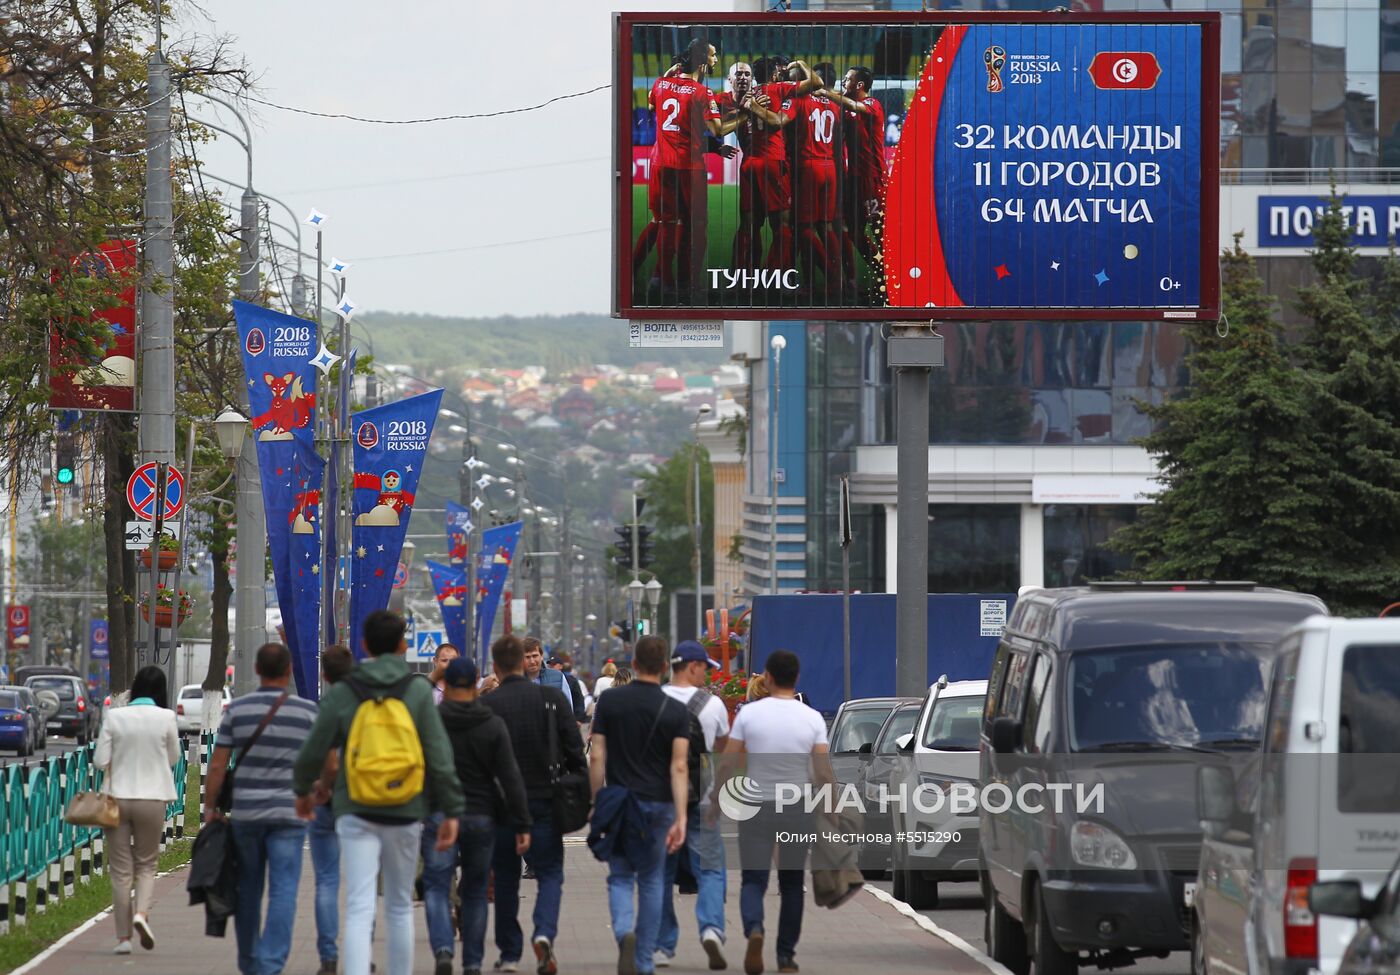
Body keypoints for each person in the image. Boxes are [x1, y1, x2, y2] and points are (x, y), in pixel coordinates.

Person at [294, 611, 465, 975]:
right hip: (406, 808)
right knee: (400, 905)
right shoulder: (417, 691)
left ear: (365, 646)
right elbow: (439, 753)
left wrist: (303, 793)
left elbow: (313, 750)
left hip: (355, 807)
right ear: (403, 646)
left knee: (359, 905)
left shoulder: (344, 692)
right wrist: (451, 809)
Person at [204, 643, 319, 975]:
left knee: (248, 888)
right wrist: (314, 795)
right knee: (284, 888)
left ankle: (251, 962)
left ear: (256, 670)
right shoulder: (308, 713)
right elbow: (326, 762)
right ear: (288, 672)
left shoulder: (237, 710)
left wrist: (211, 808)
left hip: (247, 816)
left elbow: (217, 765)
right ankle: (272, 962)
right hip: (290, 816)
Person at [715, 650, 832, 975]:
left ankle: (755, 929)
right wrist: (831, 806)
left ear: (767, 676)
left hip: (756, 807)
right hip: (796, 808)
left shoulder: (750, 715)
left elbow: (728, 761)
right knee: (792, 882)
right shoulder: (810, 717)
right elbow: (822, 770)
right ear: (795, 678)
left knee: (753, 879)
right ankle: (785, 957)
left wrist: (714, 801)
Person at [482, 634, 587, 975]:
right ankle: (544, 932)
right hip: (545, 799)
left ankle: (510, 952)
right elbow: (575, 752)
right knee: (551, 872)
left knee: (507, 877)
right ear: (527, 661)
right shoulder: (552, 698)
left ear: (496, 666)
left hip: (501, 805)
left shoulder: (489, 706)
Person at [589, 636, 690, 975]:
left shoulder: (610, 702)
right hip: (659, 805)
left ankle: (623, 933)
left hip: (620, 802)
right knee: (651, 880)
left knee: (619, 876)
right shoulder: (676, 710)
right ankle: (645, 960)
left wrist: (595, 801)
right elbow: (679, 766)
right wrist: (681, 815)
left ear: (632, 665)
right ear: (665, 668)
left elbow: (598, 754)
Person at [439, 656, 533, 975]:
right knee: (477, 890)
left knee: (439, 885)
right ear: (478, 679)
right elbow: (510, 776)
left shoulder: (434, 720)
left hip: (441, 816)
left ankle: (442, 949)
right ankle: (473, 963)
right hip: (482, 815)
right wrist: (521, 822)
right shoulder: (492, 723)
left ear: (448, 684)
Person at [92, 665, 179, 955]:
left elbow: (100, 759)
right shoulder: (166, 717)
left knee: (120, 870)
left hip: (116, 799)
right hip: (152, 798)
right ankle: (142, 913)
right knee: (146, 863)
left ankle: (123, 939)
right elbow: (174, 757)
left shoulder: (115, 716)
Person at [657, 641, 730, 971]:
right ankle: (712, 929)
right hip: (704, 798)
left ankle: (662, 945)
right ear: (692, 666)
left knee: (660, 874)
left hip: (662, 800)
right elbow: (724, 753)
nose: (707, 674)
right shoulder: (713, 705)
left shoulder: (655, 699)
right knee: (712, 870)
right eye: (705, 668)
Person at [309, 645, 355, 975]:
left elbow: (323, 754)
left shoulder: (323, 707)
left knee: (326, 880)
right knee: (360, 882)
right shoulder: (365, 706)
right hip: (359, 802)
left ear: (324, 674)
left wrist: (321, 786)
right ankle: (360, 951)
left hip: (326, 802)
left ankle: (328, 955)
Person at [422, 641, 465, 973]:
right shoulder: (425, 698)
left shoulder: (471, 701)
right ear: (435, 663)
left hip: (462, 799)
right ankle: (451, 912)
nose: (448, 666)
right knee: (440, 870)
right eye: (443, 661)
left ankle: (456, 905)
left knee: (461, 869)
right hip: (438, 798)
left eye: (454, 662)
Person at [547, 652, 588, 723]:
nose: (551, 667)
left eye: (554, 665)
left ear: (560, 666)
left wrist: (578, 719)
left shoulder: (570, 681)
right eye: (550, 665)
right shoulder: (545, 679)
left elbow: (578, 699)